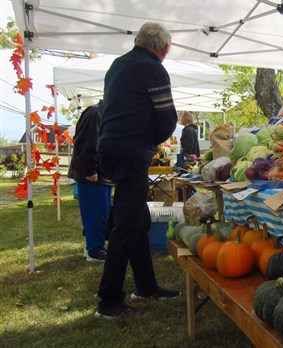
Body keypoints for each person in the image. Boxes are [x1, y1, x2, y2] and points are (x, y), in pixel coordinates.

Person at [95, 22, 181, 319]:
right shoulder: (154, 68)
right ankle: (109, 301)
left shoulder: (117, 65)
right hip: (131, 152)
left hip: (110, 149)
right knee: (126, 225)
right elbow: (167, 117)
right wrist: (152, 140)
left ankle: (146, 285)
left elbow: (109, 108)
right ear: (163, 47)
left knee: (137, 220)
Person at [67, 101, 111, 262]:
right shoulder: (94, 114)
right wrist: (90, 169)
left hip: (102, 176)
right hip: (93, 175)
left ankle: (94, 246)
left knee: (101, 213)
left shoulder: (103, 115)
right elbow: (85, 143)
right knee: (95, 213)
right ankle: (94, 250)